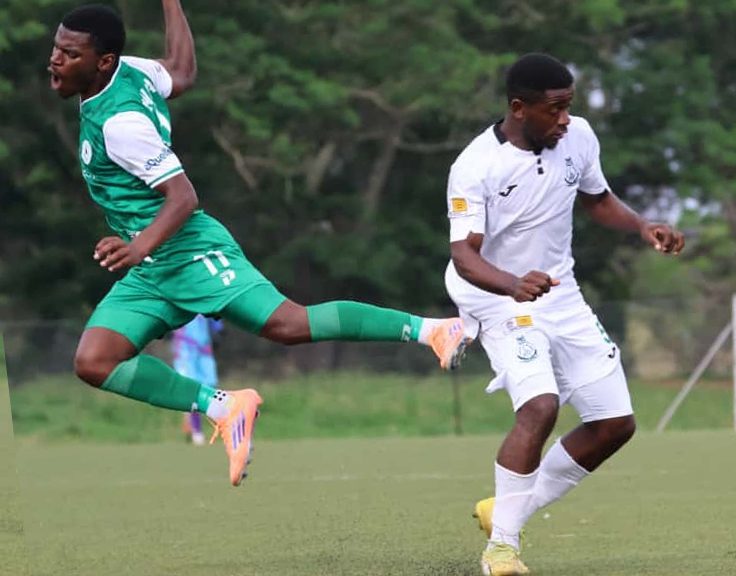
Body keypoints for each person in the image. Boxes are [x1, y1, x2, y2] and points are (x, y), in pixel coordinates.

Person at [49, 2, 470, 487]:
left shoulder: (121, 125)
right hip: (154, 264)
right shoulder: (132, 71)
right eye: (56, 48)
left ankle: (432, 330)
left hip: (186, 249)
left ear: (103, 62)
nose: (55, 60)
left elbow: (183, 197)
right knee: (94, 360)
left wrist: (139, 246)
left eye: (69, 53)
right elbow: (182, 71)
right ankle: (223, 406)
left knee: (288, 324)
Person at [444, 53, 684, 575]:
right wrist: (512, 284)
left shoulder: (577, 137)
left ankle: (507, 510)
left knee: (614, 423)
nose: (565, 119)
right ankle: (502, 551)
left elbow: (597, 199)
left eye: (569, 107)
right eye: (555, 109)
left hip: (559, 290)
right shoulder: (474, 166)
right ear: (519, 108)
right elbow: (465, 257)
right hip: (495, 294)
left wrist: (643, 226)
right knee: (540, 406)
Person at [172, 315, 223, 445]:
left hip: (204, 350)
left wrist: (218, 331)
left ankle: (221, 430)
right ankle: (196, 432)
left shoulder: (206, 298)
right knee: (190, 391)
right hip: (184, 351)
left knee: (210, 391)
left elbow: (216, 319)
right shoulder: (177, 296)